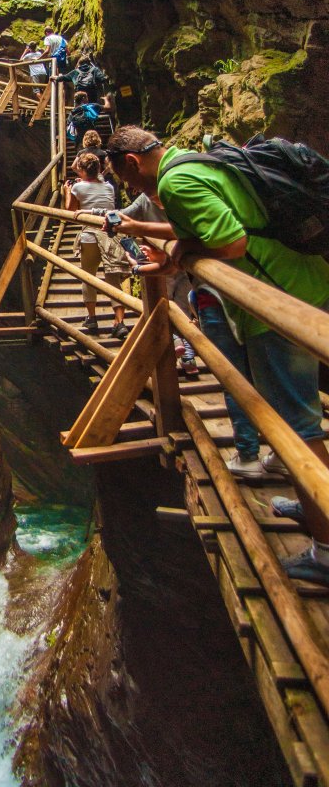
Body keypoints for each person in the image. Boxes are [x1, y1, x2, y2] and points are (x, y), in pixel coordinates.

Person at [106, 124, 329, 585]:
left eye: (129, 183)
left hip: (277, 301)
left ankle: (326, 547)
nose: (135, 190)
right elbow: (211, 228)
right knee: (292, 415)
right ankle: (312, 506)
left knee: (297, 425)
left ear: (132, 163)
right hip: (295, 284)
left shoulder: (175, 182)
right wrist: (179, 247)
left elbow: (230, 243)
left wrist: (183, 249)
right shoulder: (191, 161)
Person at [106, 189, 199, 377]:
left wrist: (135, 265)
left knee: (160, 308)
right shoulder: (182, 193)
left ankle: (175, 345)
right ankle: (188, 359)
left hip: (160, 260)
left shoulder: (146, 198)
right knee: (183, 311)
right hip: (188, 259)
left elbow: (125, 214)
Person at [65, 152, 131, 340]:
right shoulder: (109, 187)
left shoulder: (77, 187)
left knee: (88, 277)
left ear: (83, 170)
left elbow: (70, 211)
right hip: (110, 234)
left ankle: (92, 318)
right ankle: (119, 322)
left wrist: (67, 191)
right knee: (114, 279)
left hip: (90, 235)